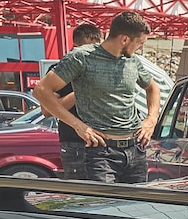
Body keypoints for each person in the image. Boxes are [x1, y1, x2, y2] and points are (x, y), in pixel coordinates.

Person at [35, 11, 159, 184]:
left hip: (135, 149)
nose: (140, 47)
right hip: (101, 152)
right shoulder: (81, 57)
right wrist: (78, 125)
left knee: (136, 208)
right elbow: (41, 90)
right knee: (102, 207)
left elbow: (153, 88)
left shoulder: (134, 61)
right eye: (139, 43)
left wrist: (151, 120)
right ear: (124, 39)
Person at [47, 21, 104, 179]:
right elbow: (47, 110)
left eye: (96, 49)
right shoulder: (59, 71)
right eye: (87, 49)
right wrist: (80, 91)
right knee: (80, 197)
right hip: (75, 142)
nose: (91, 54)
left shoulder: (103, 69)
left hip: (104, 142)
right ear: (75, 47)